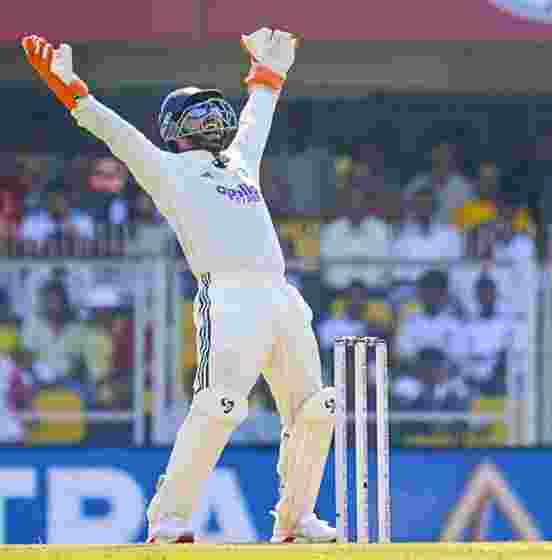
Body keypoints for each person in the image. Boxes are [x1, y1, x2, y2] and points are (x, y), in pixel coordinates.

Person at [21, 29, 337, 544]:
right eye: (198, 112)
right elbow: (115, 134)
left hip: (280, 293)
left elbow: (257, 118)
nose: (213, 118)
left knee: (314, 408)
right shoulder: (164, 168)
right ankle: (168, 523)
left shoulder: (239, 163)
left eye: (215, 109)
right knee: (221, 406)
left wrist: (267, 76)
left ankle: (295, 520)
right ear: (174, 127)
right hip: (228, 295)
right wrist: (72, 89)